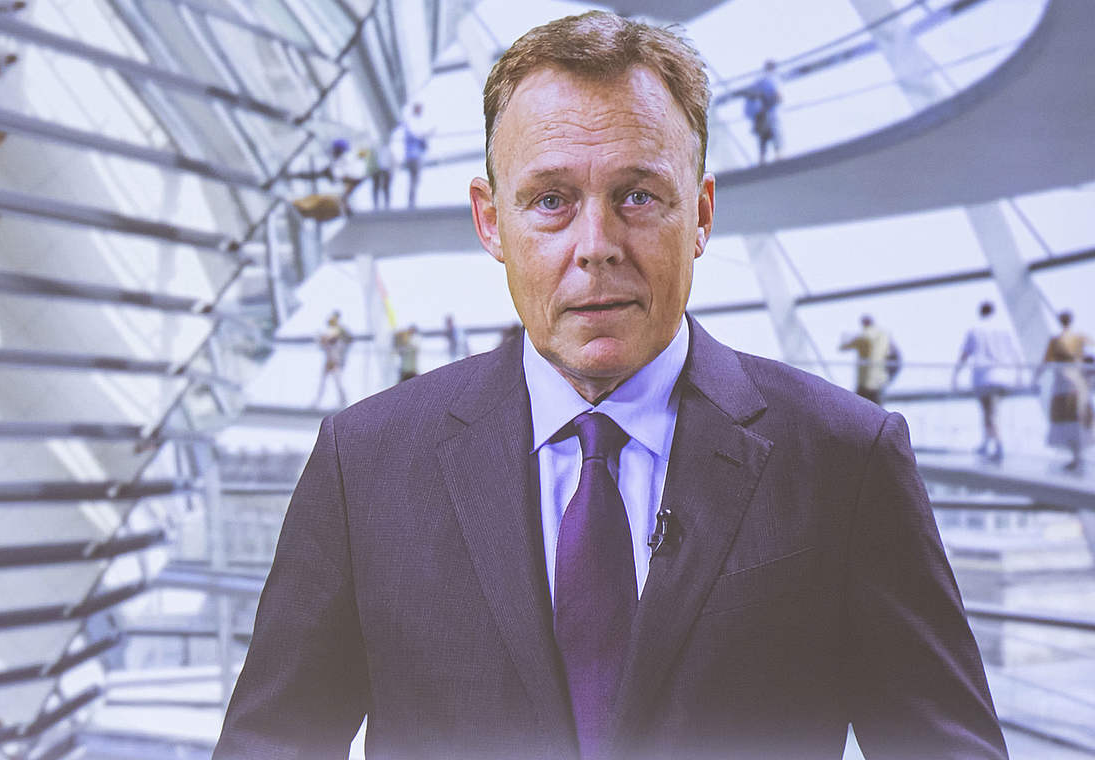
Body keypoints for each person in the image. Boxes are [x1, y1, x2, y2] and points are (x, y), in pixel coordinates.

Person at [216, 12, 1005, 760]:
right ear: (491, 222)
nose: (596, 246)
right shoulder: (364, 464)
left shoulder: (844, 460)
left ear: (700, 215)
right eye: (551, 201)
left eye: (637, 196)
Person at [953, 301, 1021, 462]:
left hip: (983, 376)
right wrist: (1019, 376)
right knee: (991, 411)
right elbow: (1014, 353)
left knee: (989, 412)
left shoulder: (975, 330)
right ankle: (987, 442)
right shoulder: (1004, 329)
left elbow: (965, 354)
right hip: (1003, 375)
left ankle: (997, 444)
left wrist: (956, 374)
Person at [1035, 310, 1092, 472]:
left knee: (1067, 421)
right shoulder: (1079, 338)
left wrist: (1034, 378)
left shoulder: (1056, 341)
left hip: (1062, 385)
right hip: (1078, 384)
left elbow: (1045, 362)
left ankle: (1076, 458)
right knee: (1077, 420)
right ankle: (1077, 457)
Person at [838, 314, 893, 405]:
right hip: (877, 380)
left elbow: (845, 346)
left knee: (861, 404)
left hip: (866, 381)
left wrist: (845, 341)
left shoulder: (866, 336)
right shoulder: (882, 336)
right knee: (875, 405)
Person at [740, 59, 782, 164]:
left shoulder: (764, 80)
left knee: (765, 135)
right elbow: (773, 96)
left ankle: (764, 157)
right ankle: (774, 154)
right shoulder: (767, 80)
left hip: (762, 114)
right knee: (771, 133)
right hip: (765, 114)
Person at [311, 311, 352, 408]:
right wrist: (321, 339)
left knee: (338, 383)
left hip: (335, 363)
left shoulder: (340, 337)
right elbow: (323, 344)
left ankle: (343, 402)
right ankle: (317, 401)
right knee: (323, 383)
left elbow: (343, 343)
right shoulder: (329, 338)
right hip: (329, 362)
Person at [401, 102, 434, 208]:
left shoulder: (413, 122)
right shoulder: (412, 122)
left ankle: (412, 201)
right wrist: (425, 136)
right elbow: (416, 136)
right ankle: (411, 202)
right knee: (414, 178)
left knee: (414, 179)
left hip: (414, 154)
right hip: (413, 155)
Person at [366, 136, 394, 209]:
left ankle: (386, 204)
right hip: (376, 169)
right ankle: (376, 204)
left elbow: (391, 159)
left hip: (385, 168)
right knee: (376, 186)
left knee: (385, 186)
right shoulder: (374, 148)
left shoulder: (386, 148)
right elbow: (369, 160)